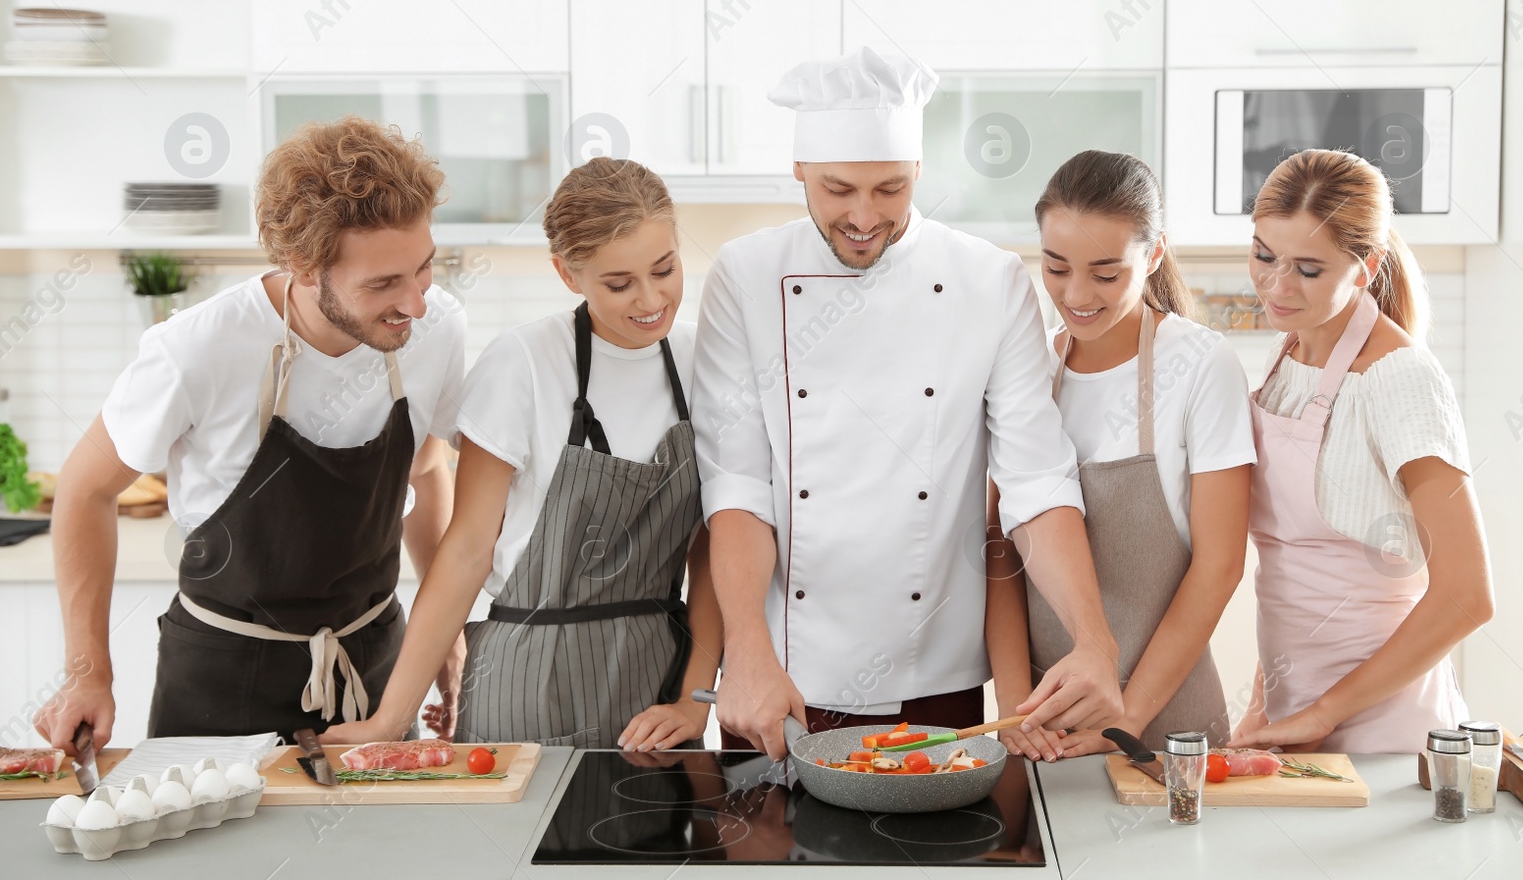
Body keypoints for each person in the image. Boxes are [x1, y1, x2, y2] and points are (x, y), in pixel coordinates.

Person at [694, 47, 1122, 759]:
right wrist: (744, 648)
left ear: (919, 170)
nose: (864, 216)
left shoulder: (990, 282)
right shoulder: (747, 275)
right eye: (838, 189)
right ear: (799, 169)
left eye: (890, 189)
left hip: (936, 678)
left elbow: (1036, 482)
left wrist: (1093, 638)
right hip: (779, 674)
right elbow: (737, 485)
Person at [34, 116, 467, 748]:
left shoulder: (437, 330)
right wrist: (88, 674)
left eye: (423, 269)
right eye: (383, 284)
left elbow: (426, 472)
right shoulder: (197, 348)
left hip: (375, 664)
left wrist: (445, 642)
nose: (417, 303)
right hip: (221, 678)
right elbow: (84, 490)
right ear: (303, 265)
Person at [326, 158, 720, 750]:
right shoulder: (524, 363)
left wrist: (695, 702)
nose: (650, 299)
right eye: (618, 283)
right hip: (526, 680)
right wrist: (389, 720)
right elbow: (466, 549)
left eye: (665, 270)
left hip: (656, 681)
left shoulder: (702, 363)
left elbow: (714, 549)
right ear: (568, 275)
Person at [986, 151, 1254, 762]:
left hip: (1169, 729)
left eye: (1106, 274)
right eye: (1056, 268)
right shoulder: (1031, 369)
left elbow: (1219, 567)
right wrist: (1012, 707)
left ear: (1154, 254)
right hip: (1045, 734)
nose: (1076, 295)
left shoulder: (1200, 366)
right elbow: (998, 546)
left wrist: (1124, 717)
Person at [1230, 148, 1493, 753]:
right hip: (1295, 711)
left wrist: (1325, 713)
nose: (1276, 285)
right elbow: (1300, 570)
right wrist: (1267, 697)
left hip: (1385, 727)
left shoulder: (1399, 377)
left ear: (1367, 265)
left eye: (1308, 269)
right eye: (1264, 255)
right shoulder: (1287, 355)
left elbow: (1466, 595)